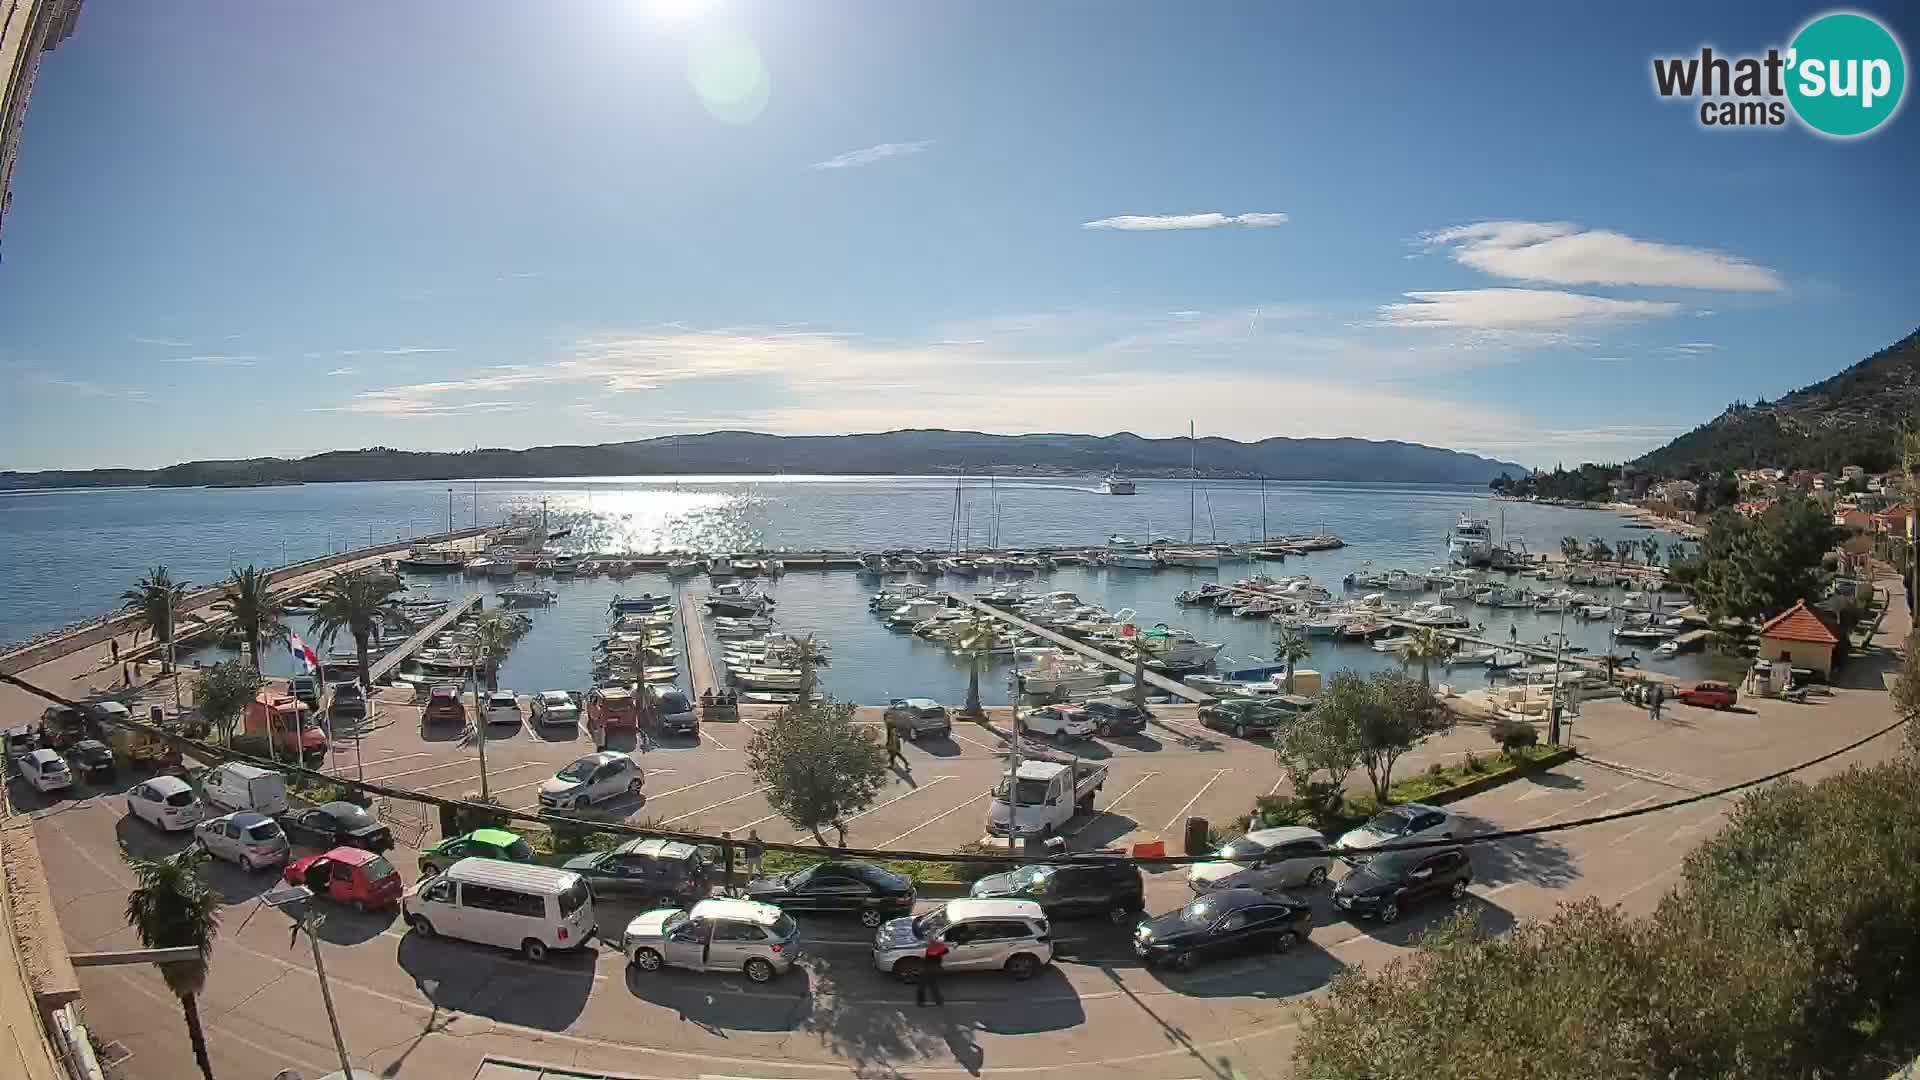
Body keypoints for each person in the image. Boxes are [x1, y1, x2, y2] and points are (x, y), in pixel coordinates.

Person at [917, 938, 947, 1007]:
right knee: (933, 985)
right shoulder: (939, 949)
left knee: (922, 986)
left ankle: (921, 1002)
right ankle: (939, 1000)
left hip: (928, 969)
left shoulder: (932, 950)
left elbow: (927, 960)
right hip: (934, 969)